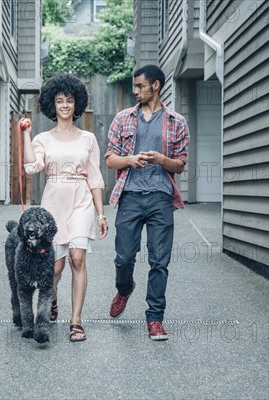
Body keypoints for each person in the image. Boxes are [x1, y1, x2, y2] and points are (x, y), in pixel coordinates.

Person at [21, 74, 108, 342]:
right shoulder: (44, 139)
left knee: (78, 259)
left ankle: (76, 322)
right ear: (53, 105)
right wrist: (26, 134)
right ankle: (53, 300)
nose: (65, 105)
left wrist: (101, 213)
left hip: (81, 200)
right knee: (55, 268)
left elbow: (94, 177)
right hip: (54, 202)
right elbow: (31, 167)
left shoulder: (88, 138)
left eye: (70, 100)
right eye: (60, 101)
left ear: (76, 103)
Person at [105, 65, 189, 341]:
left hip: (160, 198)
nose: (135, 91)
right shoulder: (122, 119)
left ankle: (155, 318)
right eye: (135, 86)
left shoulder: (177, 122)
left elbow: (180, 165)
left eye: (140, 86)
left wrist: (162, 160)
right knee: (124, 257)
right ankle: (125, 288)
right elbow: (110, 160)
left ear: (156, 86)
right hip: (129, 195)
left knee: (159, 261)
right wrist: (131, 160)